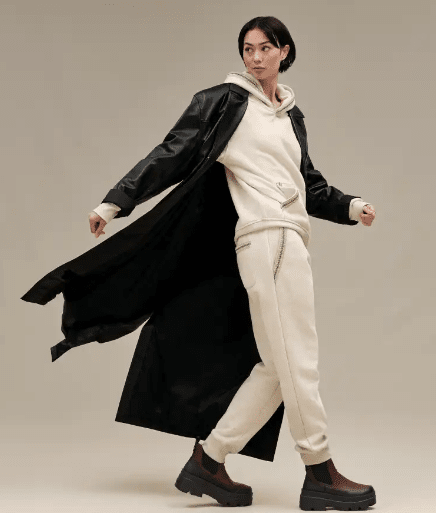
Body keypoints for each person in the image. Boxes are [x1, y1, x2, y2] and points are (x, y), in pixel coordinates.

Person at [88, 16, 377, 512]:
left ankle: (210, 459)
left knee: (276, 367)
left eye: (265, 48)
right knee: (299, 361)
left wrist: (351, 206)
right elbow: (171, 153)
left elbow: (306, 184)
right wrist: (115, 201)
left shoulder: (290, 116)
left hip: (288, 239)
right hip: (267, 238)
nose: (255, 57)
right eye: (247, 49)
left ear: (285, 52)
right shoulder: (225, 102)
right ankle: (320, 471)